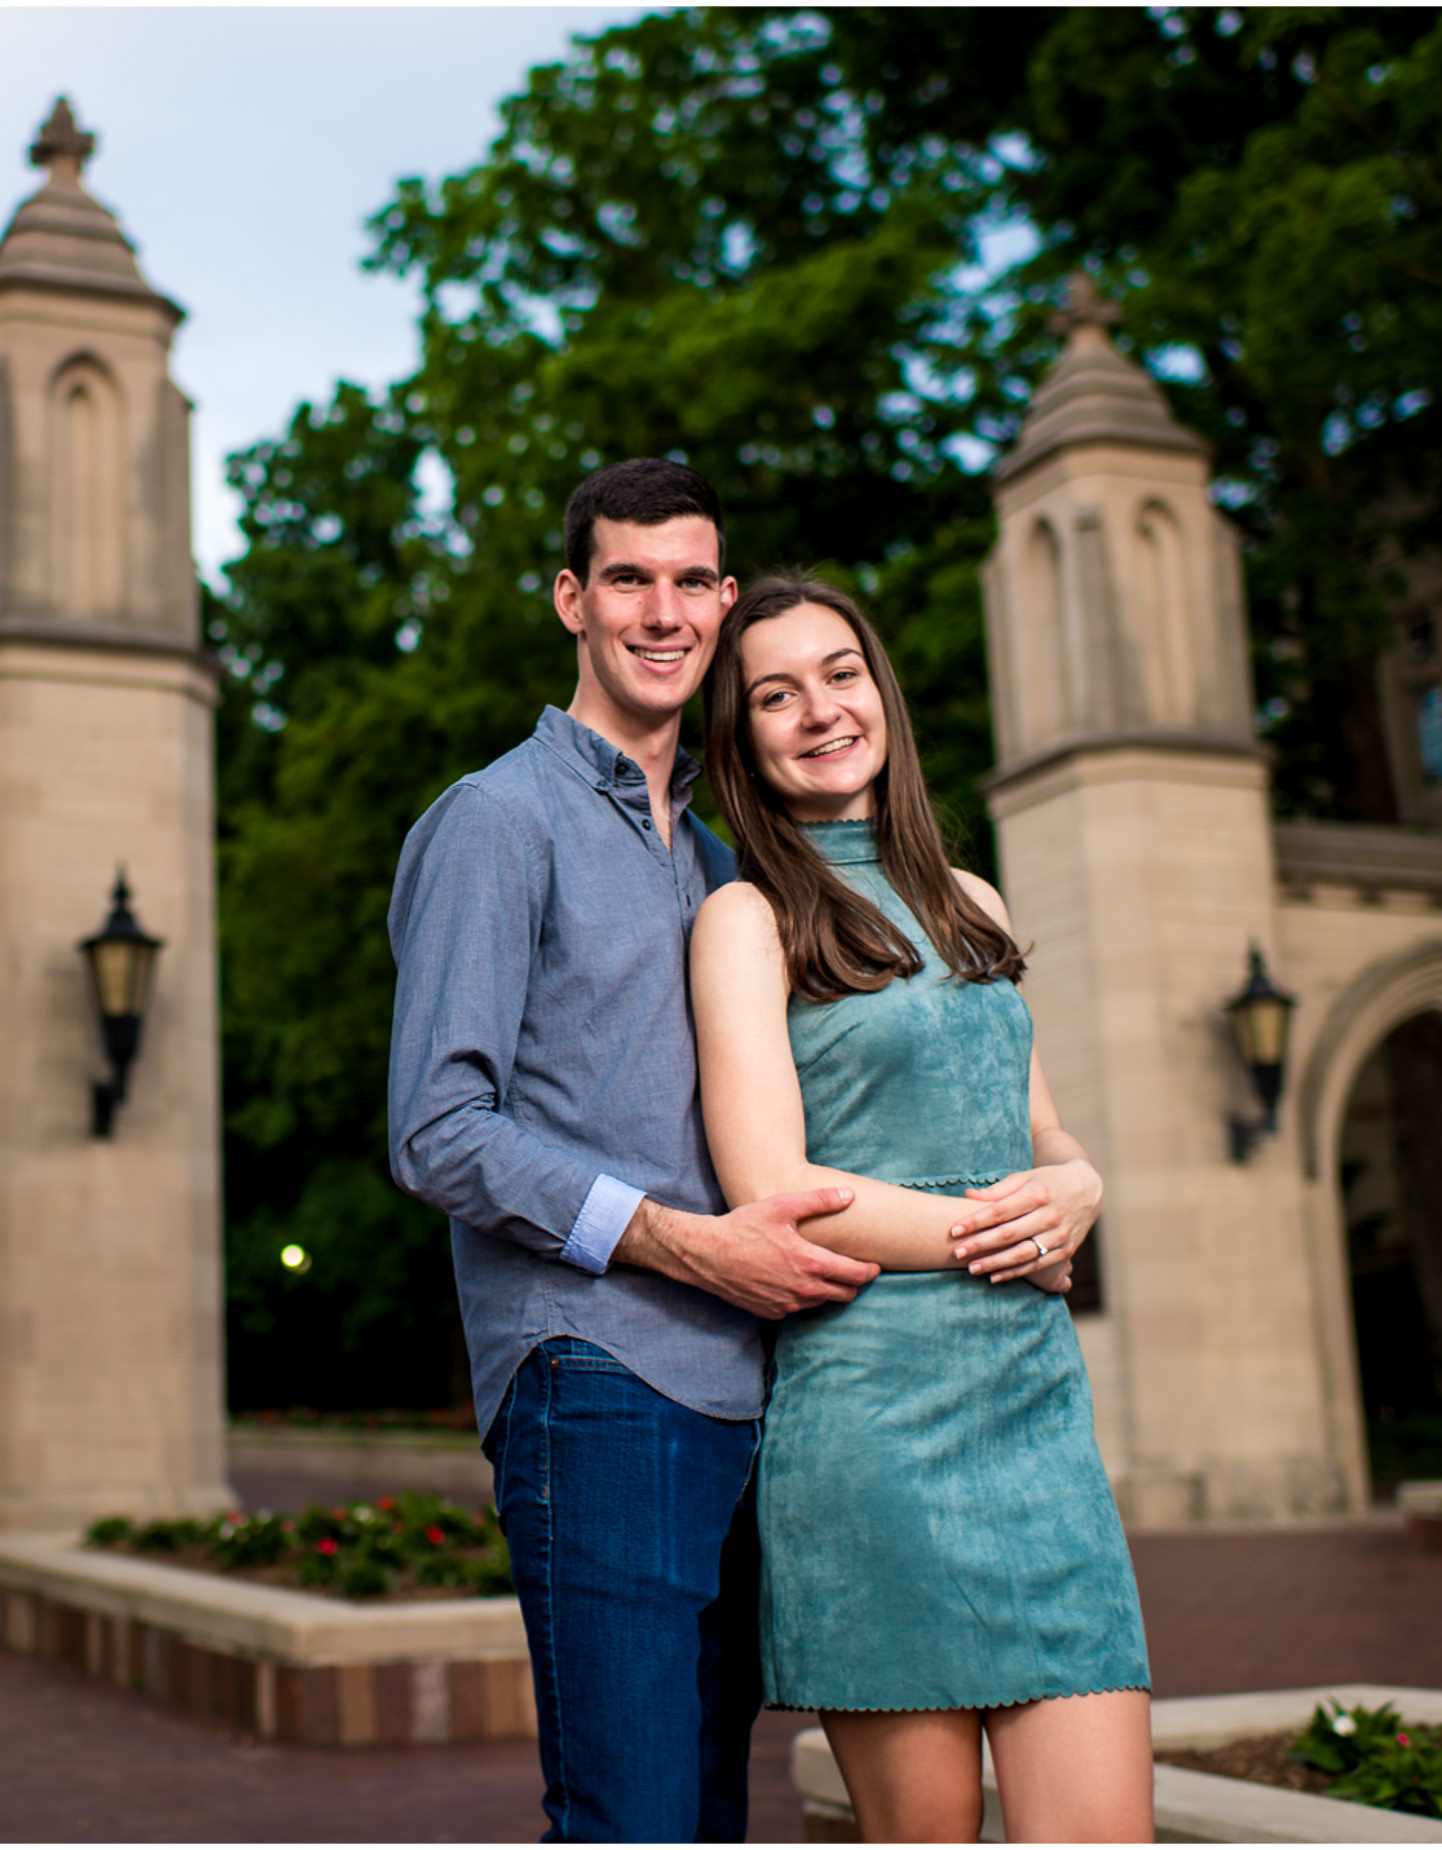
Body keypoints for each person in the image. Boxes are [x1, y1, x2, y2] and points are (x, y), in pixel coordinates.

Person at [388, 459, 1087, 1840]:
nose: (663, 610)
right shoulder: (497, 820)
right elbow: (438, 1126)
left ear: (719, 598)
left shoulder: (722, 863)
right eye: (628, 579)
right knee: (634, 1815)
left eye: (690, 579)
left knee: (710, 1814)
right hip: (596, 1370)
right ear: (572, 599)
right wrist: (676, 1237)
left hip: (761, 1385)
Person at [688, 574, 1147, 1841]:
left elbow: (1040, 1124)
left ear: (880, 690)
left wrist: (1081, 1181)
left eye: (839, 673)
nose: (817, 710)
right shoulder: (746, 915)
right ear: (739, 736)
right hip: (875, 1424)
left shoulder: (970, 895)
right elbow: (774, 1190)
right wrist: (999, 1234)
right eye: (773, 694)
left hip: (1036, 1410)